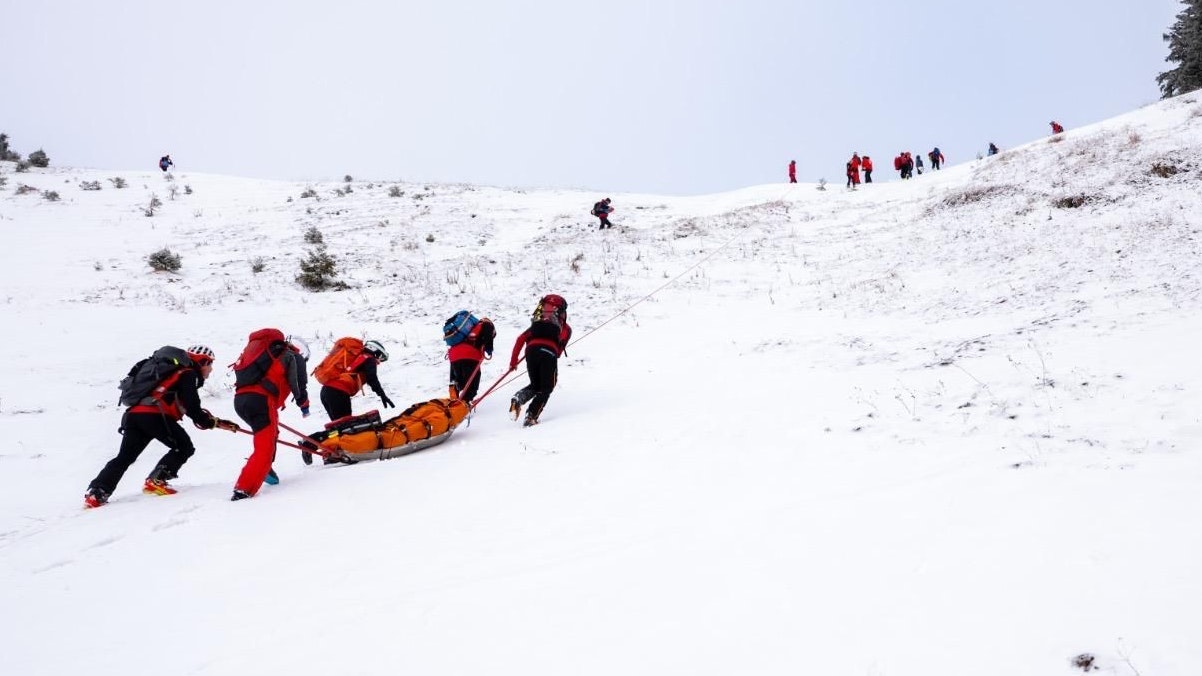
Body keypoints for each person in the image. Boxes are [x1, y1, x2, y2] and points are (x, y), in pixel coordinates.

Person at [84, 345, 233, 508]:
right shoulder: (187, 373)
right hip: (155, 415)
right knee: (184, 447)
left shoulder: (168, 373)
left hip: (134, 415)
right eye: (210, 364)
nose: (210, 369)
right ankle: (157, 480)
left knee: (125, 457)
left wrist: (214, 422)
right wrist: (209, 422)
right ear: (201, 361)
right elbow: (192, 407)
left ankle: (97, 492)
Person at [230, 329, 310, 501]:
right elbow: (298, 383)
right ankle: (244, 489)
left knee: (271, 434)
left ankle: (266, 469)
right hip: (261, 400)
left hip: (241, 401)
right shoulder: (292, 356)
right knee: (264, 448)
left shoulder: (263, 355)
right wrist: (304, 405)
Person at [509, 295, 572, 427]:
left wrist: (513, 361)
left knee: (536, 385)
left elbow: (520, 339)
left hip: (531, 352)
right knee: (547, 387)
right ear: (562, 313)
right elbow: (559, 352)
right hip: (549, 353)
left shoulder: (536, 325)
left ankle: (518, 399)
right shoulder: (565, 329)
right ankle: (531, 416)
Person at [318, 339, 394, 421]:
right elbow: (372, 378)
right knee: (345, 425)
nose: (379, 360)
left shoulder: (356, 357)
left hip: (326, 391)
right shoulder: (369, 358)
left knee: (338, 427)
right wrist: (382, 395)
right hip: (338, 392)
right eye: (380, 356)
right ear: (374, 350)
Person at [448, 318, 495, 403]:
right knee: (472, 384)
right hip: (470, 355)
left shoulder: (466, 330)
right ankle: (464, 405)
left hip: (453, 355)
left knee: (460, 379)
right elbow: (488, 336)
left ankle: (454, 385)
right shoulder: (487, 324)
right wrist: (489, 349)